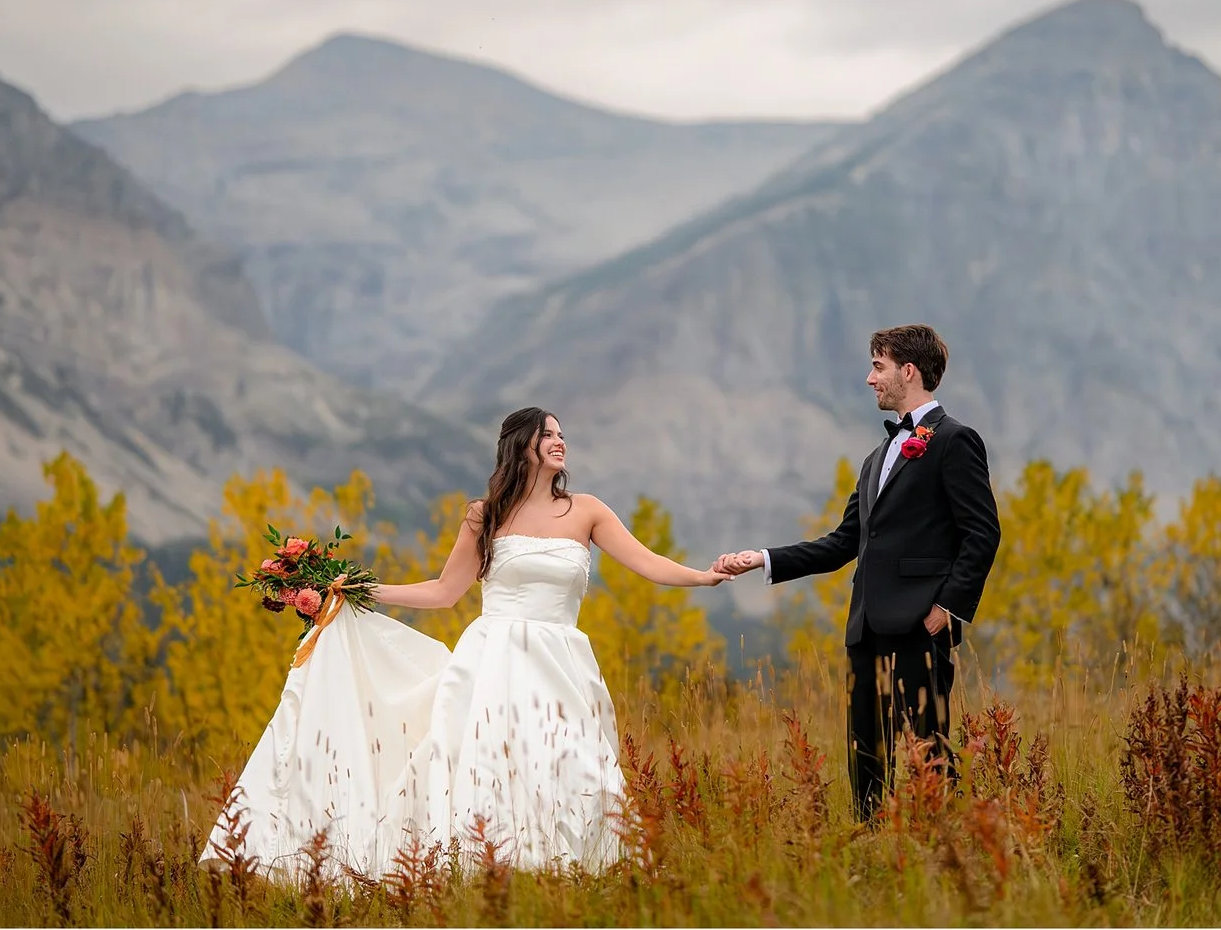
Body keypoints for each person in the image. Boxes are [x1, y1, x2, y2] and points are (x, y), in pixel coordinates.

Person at [204, 406, 731, 877]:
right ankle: (488, 869)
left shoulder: (587, 510)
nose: (559, 440)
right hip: (495, 659)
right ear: (519, 444)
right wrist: (359, 588)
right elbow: (444, 591)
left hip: (562, 659)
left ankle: (581, 869)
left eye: (561, 433)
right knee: (489, 764)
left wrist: (704, 576)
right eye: (547, 433)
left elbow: (647, 563)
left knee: (574, 760)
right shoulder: (485, 515)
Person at [714, 324, 1002, 821]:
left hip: (920, 626)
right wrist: (762, 558)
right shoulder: (876, 459)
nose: (870, 379)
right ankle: (872, 851)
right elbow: (843, 543)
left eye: (878, 366)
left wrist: (946, 609)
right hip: (866, 629)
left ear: (908, 371)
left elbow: (983, 532)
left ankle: (950, 851)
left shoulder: (956, 441)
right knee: (865, 755)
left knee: (927, 751)